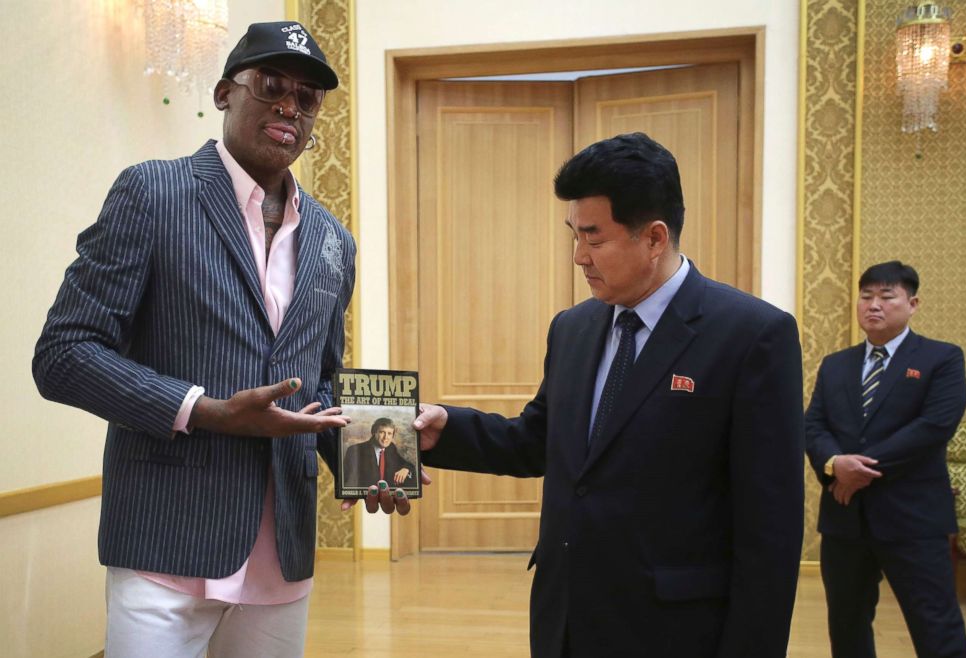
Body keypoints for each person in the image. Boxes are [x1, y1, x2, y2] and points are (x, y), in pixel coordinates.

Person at [32, 21, 406, 658]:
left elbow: (317, 383)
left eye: (308, 96)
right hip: (164, 539)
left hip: (282, 550)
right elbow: (64, 353)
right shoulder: (152, 192)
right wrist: (206, 411)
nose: (291, 105)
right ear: (225, 91)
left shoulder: (333, 240)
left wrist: (366, 460)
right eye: (271, 85)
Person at [411, 132, 805, 657]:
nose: (579, 257)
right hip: (567, 619)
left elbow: (770, 530)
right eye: (573, 235)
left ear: (655, 237)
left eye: (594, 239)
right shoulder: (572, 328)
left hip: (675, 631)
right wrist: (447, 428)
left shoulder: (752, 335)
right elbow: (537, 441)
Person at [805, 261, 966, 658]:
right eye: (866, 296)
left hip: (913, 520)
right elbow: (813, 426)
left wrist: (856, 470)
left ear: (912, 303)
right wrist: (834, 466)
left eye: (886, 296)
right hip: (845, 522)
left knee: (936, 626)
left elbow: (933, 427)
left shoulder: (942, 358)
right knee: (846, 626)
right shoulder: (835, 365)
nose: (873, 305)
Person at [343, 417, 416, 488]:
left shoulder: (391, 447)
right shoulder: (355, 450)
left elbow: (405, 463)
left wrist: (406, 469)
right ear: (374, 432)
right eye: (382, 432)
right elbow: (349, 481)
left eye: (389, 433)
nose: (386, 437)